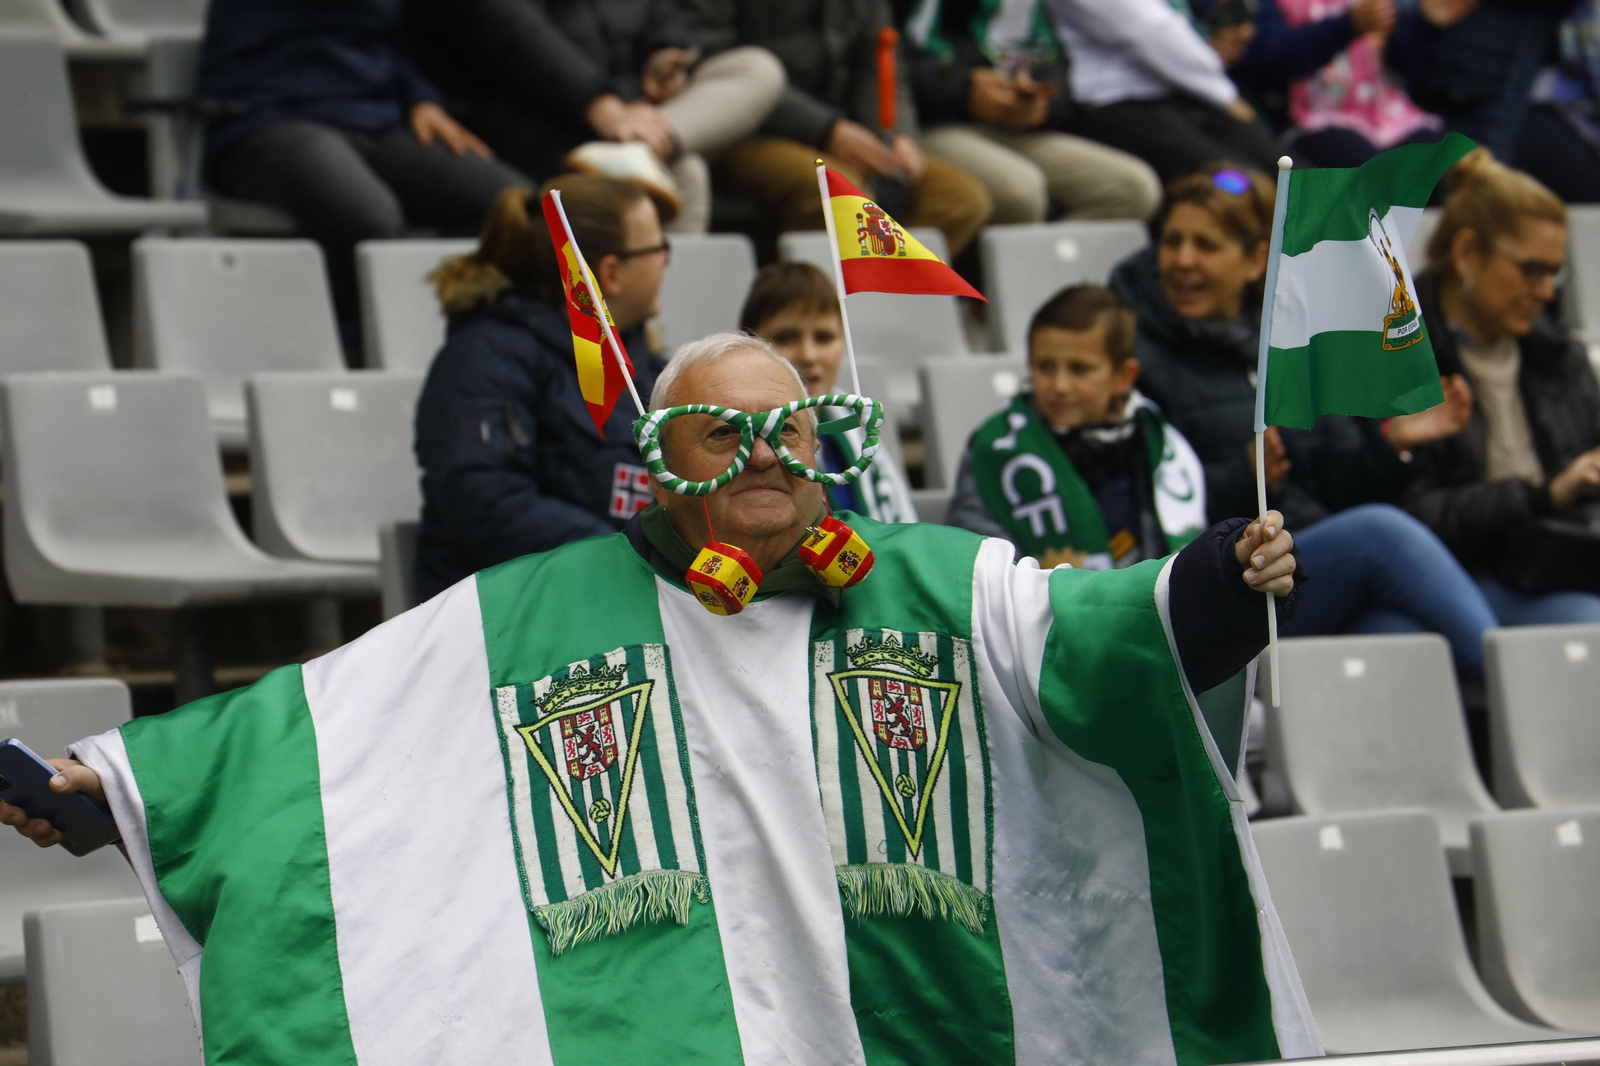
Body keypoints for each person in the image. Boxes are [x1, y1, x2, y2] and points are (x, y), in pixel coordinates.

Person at [2, 329, 1319, 1064]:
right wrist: (118, 793)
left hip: (922, 1021)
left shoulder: (941, 581)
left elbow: (1089, 638)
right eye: (723, 433)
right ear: (657, 465)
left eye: (790, 430)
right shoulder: (534, 610)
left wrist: (1217, 575)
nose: (765, 453)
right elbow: (329, 735)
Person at [1112, 164, 1502, 680]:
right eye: (1173, 241)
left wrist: (1394, 444)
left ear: (1256, 260)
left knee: (1395, 633)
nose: (1182, 261)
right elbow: (1139, 501)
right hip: (1231, 583)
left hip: (1312, 567)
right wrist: (1243, 475)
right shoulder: (1140, 358)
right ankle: (1523, 695)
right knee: (1382, 534)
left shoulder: (1292, 336)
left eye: (1205, 245)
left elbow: (1343, 483)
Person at [200, 0, 528, 341]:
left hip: (374, 116)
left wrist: (420, 97)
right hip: (270, 116)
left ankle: (447, 336)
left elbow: (387, 40)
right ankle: (361, 350)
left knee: (507, 204)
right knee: (368, 215)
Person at [412, 176, 669, 600]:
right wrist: (626, 553)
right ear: (611, 272)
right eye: (659, 249)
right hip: (514, 615)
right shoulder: (484, 357)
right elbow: (484, 506)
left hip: (619, 597)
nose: (666, 262)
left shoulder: (650, 367)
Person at [1406, 149, 1600, 622]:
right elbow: (1413, 518)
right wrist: (1546, 494)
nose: (1548, 292)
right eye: (1532, 271)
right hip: (1461, 576)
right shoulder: (1399, 360)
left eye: (1555, 273)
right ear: (1467, 253)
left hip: (1561, 563)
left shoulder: (1561, 360)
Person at [405, 0, 787, 233]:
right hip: (544, 126)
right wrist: (602, 106)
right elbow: (519, 36)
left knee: (758, 69)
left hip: (638, 116)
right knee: (686, 173)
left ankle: (639, 151)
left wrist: (664, 53)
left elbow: (661, 14)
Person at [682, 0, 994, 257]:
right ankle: (808, 316)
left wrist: (896, 134)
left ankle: (882, 312)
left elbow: (880, 58)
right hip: (747, 128)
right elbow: (715, 62)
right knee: (838, 192)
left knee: (959, 198)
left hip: (846, 127)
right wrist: (825, 129)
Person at [947, 285, 1207, 572]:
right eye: (1045, 367)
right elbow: (975, 555)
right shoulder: (994, 449)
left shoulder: (1154, 441)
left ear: (1123, 376)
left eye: (1079, 369)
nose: (1059, 386)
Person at [901, 0, 1163, 224]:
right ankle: (998, 280)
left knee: (1133, 189)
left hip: (1015, 128)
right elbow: (881, 68)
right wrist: (964, 91)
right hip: (931, 123)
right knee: (1019, 191)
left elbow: (1056, 66)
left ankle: (1050, 278)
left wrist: (1038, 101)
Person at [738, 263, 918, 522]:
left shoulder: (858, 426)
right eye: (786, 338)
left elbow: (903, 528)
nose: (808, 356)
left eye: (823, 338)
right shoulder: (735, 438)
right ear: (750, 345)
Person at [1039, 0, 1285, 182]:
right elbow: (1147, 30)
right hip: (1115, 108)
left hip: (1180, 98)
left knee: (1294, 179)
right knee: (1245, 187)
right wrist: (1224, 94)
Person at [1224, 0, 1466, 168]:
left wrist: (1429, 24)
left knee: (1441, 160)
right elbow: (1266, 59)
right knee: (1373, 171)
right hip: (1304, 121)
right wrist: (1348, 25)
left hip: (1383, 113)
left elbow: (1407, 63)